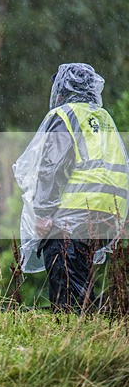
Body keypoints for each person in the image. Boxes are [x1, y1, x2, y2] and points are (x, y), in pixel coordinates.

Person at [14, 63, 129, 312]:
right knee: (80, 283)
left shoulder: (65, 115)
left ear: (62, 89)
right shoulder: (103, 118)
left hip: (74, 215)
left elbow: (51, 166)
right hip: (110, 214)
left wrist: (43, 214)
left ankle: (74, 335)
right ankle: (93, 329)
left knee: (69, 292)